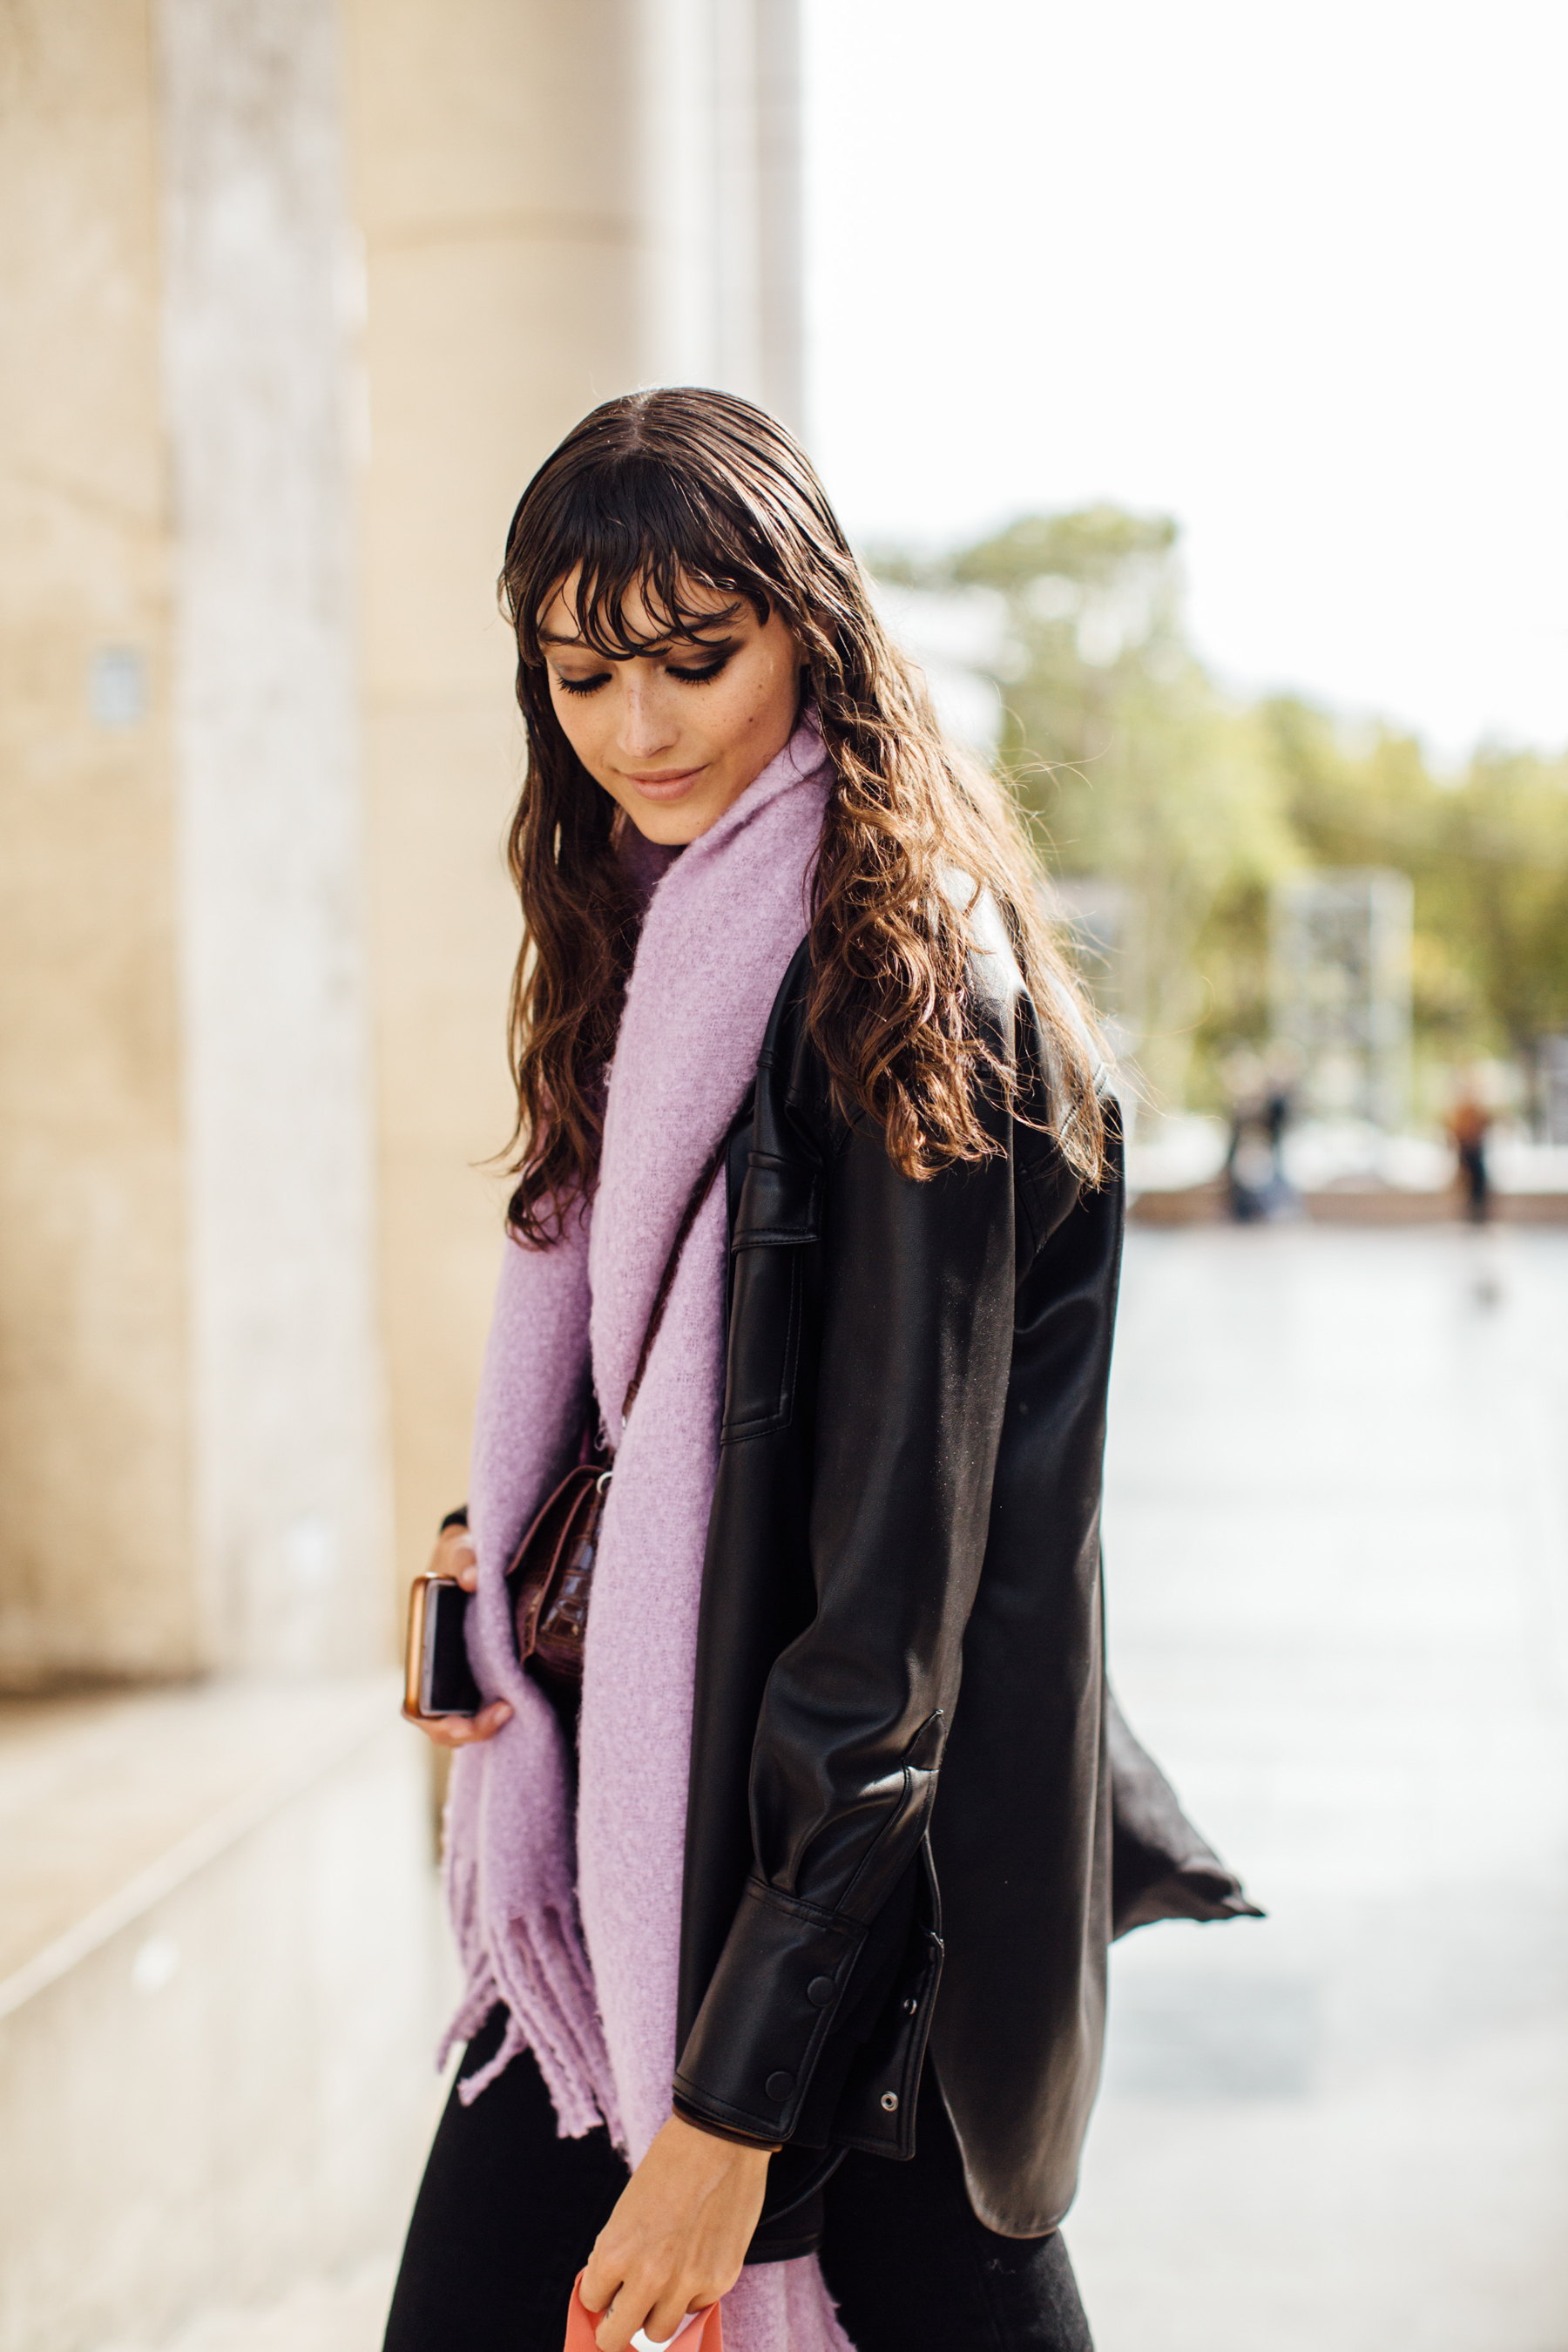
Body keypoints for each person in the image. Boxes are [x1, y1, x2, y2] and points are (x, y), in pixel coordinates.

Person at [383, 389, 1255, 2352]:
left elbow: (886, 1618)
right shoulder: (650, 939)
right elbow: (681, 1408)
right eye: (587, 672)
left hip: (860, 1948)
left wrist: (727, 2112)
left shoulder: (907, 992)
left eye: (701, 657)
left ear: (814, 630)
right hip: (653, 1868)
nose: (644, 727)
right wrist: (500, 1553)